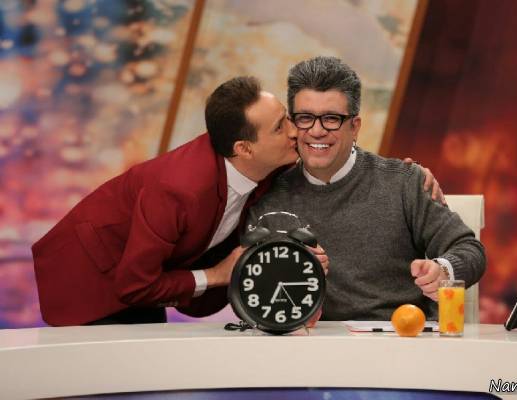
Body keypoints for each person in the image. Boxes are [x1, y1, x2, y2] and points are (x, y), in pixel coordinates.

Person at [31, 76, 324, 326]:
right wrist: (216, 275)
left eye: (287, 117)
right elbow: (135, 286)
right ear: (244, 149)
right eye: (279, 127)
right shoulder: (177, 190)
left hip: (147, 281)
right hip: (88, 282)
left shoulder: (267, 163)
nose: (294, 131)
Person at [247, 56, 486, 320]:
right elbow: (250, 290)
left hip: (401, 336)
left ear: (355, 127)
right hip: (310, 339)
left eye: (331, 119)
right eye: (305, 118)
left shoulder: (404, 182)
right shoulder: (268, 196)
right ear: (293, 124)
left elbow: (469, 249)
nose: (316, 131)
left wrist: (443, 270)